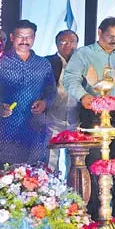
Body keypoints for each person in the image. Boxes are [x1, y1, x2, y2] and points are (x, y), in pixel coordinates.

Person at [62, 17, 115, 220]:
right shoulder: (84, 53)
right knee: (94, 161)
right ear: (100, 33)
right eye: (110, 36)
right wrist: (84, 97)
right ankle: (92, 212)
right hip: (93, 113)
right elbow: (70, 78)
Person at [0, 20, 56, 166]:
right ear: (12, 37)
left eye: (29, 37)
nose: (24, 41)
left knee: (36, 170)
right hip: (6, 125)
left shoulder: (43, 64)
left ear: (34, 38)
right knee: (6, 170)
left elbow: (51, 91)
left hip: (35, 125)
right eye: (20, 37)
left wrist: (44, 103)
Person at [45, 30, 80, 173]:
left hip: (76, 118)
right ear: (57, 44)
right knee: (50, 159)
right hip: (52, 117)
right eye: (63, 42)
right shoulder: (47, 62)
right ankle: (50, 192)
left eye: (72, 42)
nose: (68, 45)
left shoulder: (82, 63)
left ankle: (73, 192)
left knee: (75, 160)